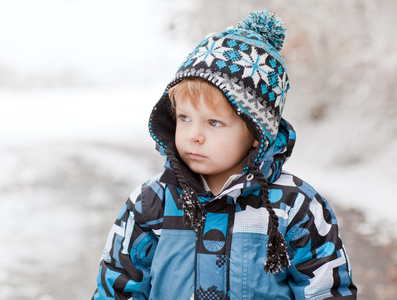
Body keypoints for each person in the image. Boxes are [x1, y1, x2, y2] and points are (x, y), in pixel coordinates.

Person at [92, 9, 357, 299]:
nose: (194, 134)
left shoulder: (294, 207)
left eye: (214, 122)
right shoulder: (152, 203)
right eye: (184, 118)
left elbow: (326, 291)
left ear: (257, 134)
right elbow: (118, 288)